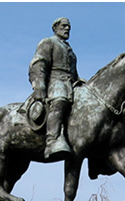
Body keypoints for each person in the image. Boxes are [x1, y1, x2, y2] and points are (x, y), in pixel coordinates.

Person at [28, 17, 79, 160]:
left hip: (70, 84)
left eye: (69, 26)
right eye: (64, 26)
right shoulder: (48, 42)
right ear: (55, 28)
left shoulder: (70, 51)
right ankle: (52, 140)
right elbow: (38, 64)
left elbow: (73, 73)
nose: (67, 29)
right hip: (55, 82)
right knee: (60, 100)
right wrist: (39, 86)